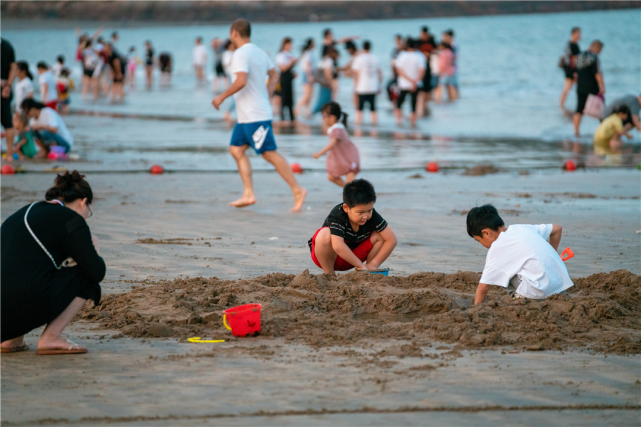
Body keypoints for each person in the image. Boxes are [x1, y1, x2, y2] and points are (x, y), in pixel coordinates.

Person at [1, 171, 105, 355]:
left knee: (28, 270)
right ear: (83, 202)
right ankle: (51, 337)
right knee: (86, 277)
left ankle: (11, 340)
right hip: (23, 303)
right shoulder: (71, 220)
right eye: (88, 210)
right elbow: (97, 272)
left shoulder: (25, 211)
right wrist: (94, 247)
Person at [211, 19, 307, 211]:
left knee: (269, 153)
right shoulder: (260, 52)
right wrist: (267, 94)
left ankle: (298, 189)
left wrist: (221, 96)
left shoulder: (240, 53)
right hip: (247, 115)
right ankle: (249, 193)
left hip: (256, 115)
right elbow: (275, 74)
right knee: (236, 150)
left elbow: (241, 81)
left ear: (234, 33)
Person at [466, 205, 573, 304]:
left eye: (478, 240)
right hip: (561, 289)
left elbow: (483, 287)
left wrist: (476, 308)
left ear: (486, 233)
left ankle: (518, 298)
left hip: (538, 295)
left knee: (501, 273)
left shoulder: (496, 248)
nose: (482, 244)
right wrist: (553, 253)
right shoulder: (523, 228)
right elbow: (557, 229)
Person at [308, 179, 397, 275]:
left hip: (353, 258)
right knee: (324, 234)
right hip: (329, 258)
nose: (365, 216)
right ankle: (329, 274)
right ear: (346, 208)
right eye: (360, 212)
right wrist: (359, 264)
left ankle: (368, 272)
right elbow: (338, 246)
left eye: (369, 210)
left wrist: (374, 264)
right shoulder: (337, 214)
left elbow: (391, 240)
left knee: (381, 235)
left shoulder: (372, 215)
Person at [313, 101, 360, 187]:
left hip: (349, 157)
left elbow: (333, 143)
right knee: (331, 176)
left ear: (332, 118)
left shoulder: (337, 129)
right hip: (343, 157)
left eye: (325, 116)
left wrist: (320, 153)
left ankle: (355, 195)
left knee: (350, 179)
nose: (323, 119)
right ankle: (349, 191)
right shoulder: (336, 127)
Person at [573, 40, 604, 137]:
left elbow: (575, 74)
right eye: (600, 50)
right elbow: (597, 73)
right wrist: (602, 86)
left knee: (579, 109)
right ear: (597, 48)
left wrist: (578, 83)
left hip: (580, 87)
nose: (599, 52)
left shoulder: (579, 56)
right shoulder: (594, 57)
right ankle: (604, 128)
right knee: (601, 108)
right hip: (592, 87)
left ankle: (576, 132)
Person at [394, 38, 425, 127]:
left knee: (399, 103)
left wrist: (409, 80)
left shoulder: (402, 55)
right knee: (413, 104)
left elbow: (399, 70)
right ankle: (413, 122)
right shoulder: (419, 56)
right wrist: (414, 81)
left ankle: (399, 121)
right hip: (416, 84)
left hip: (404, 84)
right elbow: (422, 71)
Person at [351, 40, 382, 125]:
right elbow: (380, 73)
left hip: (362, 87)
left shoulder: (358, 58)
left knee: (359, 109)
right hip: (373, 87)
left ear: (362, 47)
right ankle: (375, 127)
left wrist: (355, 87)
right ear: (370, 47)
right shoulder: (376, 58)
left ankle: (358, 129)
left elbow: (356, 74)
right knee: (373, 109)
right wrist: (380, 86)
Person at [275, 37, 298, 125]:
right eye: (289, 44)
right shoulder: (281, 55)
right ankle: (283, 118)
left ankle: (292, 118)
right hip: (283, 77)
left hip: (289, 76)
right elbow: (283, 68)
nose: (290, 46)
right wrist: (291, 63)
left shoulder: (289, 54)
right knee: (284, 97)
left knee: (290, 98)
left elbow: (289, 67)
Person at [416, 26, 436, 116]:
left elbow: (435, 50)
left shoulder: (431, 41)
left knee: (428, 88)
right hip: (421, 67)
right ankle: (422, 105)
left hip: (428, 67)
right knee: (422, 88)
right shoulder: (418, 42)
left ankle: (426, 105)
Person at [313, 46, 339, 115]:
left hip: (322, 83)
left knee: (321, 99)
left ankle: (318, 114)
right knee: (325, 101)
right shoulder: (329, 60)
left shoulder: (323, 59)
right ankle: (315, 113)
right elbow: (327, 73)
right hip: (326, 83)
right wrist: (331, 83)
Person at [559, 27, 581, 109]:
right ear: (573, 34)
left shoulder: (569, 44)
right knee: (569, 87)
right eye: (578, 33)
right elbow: (573, 59)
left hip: (569, 68)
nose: (579, 35)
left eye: (579, 33)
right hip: (571, 69)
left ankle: (561, 105)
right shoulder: (572, 45)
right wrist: (575, 72)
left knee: (568, 87)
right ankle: (561, 105)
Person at [294, 38, 315, 118]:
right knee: (307, 94)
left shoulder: (308, 53)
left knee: (309, 95)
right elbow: (307, 65)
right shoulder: (308, 53)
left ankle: (307, 111)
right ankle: (297, 107)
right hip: (307, 73)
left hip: (308, 73)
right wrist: (310, 76)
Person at [221, 40, 236, 123]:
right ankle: (227, 113)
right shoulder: (227, 53)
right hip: (232, 76)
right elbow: (228, 64)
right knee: (236, 96)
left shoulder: (232, 53)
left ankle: (229, 113)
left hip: (236, 76)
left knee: (237, 96)